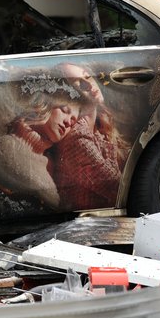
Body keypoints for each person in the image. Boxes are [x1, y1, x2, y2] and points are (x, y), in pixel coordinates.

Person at [49, 63, 127, 210]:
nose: (89, 85)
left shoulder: (101, 124)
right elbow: (117, 188)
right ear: (66, 94)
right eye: (78, 83)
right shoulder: (76, 138)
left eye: (88, 77)